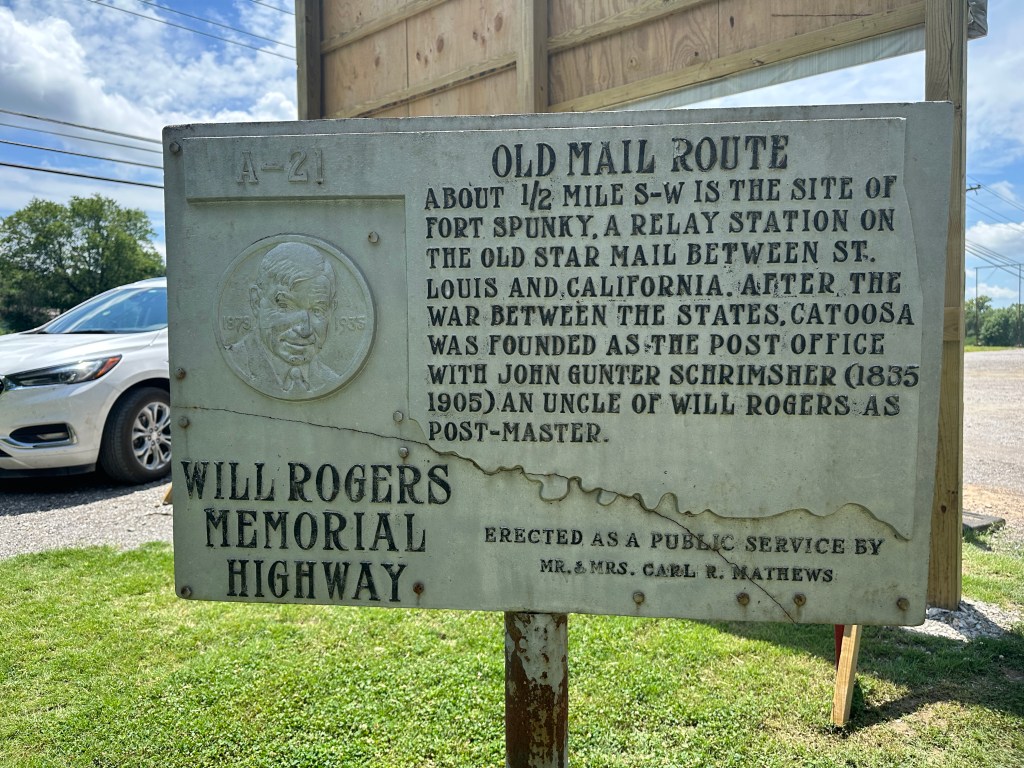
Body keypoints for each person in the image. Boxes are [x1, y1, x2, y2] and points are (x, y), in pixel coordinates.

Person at [226, 241, 342, 398]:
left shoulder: (331, 380)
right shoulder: (233, 362)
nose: (305, 329)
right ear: (256, 302)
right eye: (286, 306)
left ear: (331, 309)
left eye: (317, 310)